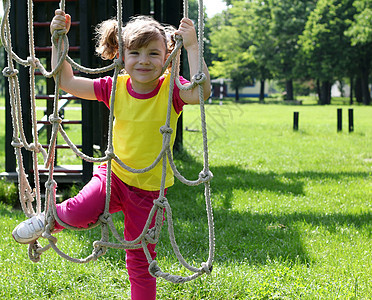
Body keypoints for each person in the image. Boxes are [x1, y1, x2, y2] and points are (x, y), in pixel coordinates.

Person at [12, 9, 211, 300]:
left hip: (148, 191)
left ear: (168, 55)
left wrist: (192, 47)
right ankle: (49, 218)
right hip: (114, 176)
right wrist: (59, 40)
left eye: (153, 54)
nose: (144, 61)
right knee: (79, 211)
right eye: (135, 53)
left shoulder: (172, 90)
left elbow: (202, 93)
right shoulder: (113, 87)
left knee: (140, 258)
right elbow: (66, 81)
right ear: (121, 55)